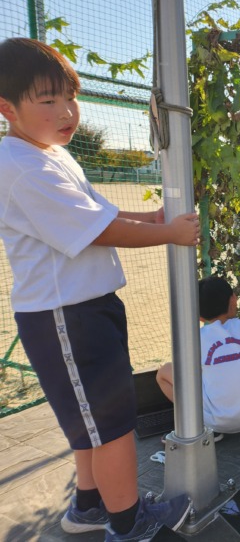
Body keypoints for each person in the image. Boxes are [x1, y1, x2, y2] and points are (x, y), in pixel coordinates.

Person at [0, 37, 197, 541]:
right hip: (66, 317)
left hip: (83, 310)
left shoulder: (48, 153)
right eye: (48, 101)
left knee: (94, 424)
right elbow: (100, 231)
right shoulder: (22, 168)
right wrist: (167, 233)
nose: (68, 111)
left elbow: (99, 213)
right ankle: (129, 525)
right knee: (111, 427)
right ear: (8, 109)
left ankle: (88, 507)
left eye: (71, 96)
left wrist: (148, 217)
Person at [156, 276, 240, 438]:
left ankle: (196, 427)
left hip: (217, 422)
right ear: (233, 300)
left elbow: (186, 372)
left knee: (164, 372)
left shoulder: (194, 338)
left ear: (197, 315)